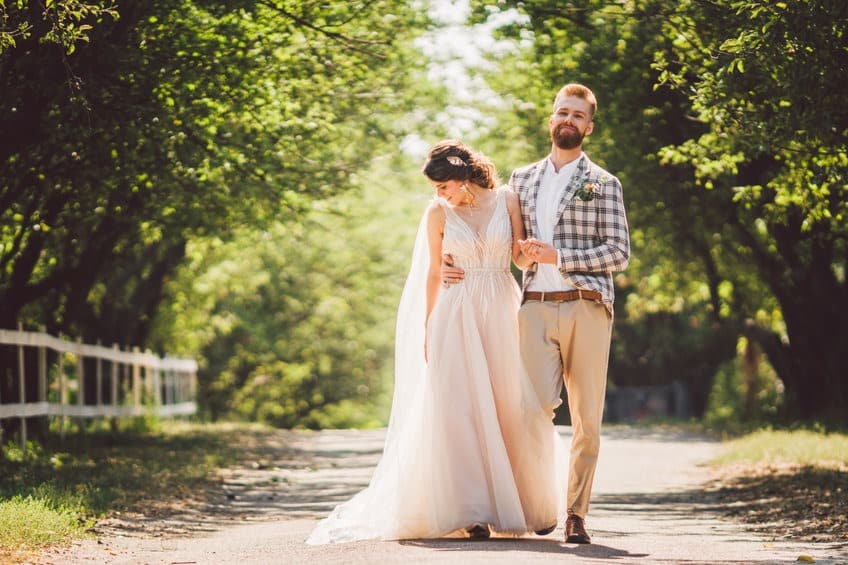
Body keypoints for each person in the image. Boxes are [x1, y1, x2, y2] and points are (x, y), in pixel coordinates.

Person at [306, 140, 561, 544]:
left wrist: (532, 252)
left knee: (512, 404)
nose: (440, 194)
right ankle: (473, 511)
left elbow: (518, 259)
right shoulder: (437, 213)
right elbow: (432, 273)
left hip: (501, 307)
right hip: (456, 313)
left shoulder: (506, 199)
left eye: (443, 186)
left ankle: (529, 504)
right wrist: (428, 325)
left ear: (462, 177)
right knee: (461, 410)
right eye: (436, 189)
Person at [442, 83, 630, 544]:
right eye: (562, 112)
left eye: (578, 115)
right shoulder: (522, 180)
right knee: (528, 410)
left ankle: (575, 515)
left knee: (586, 418)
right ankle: (534, 504)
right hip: (534, 307)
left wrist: (559, 257)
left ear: (589, 127)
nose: (569, 120)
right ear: (551, 119)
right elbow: (488, 223)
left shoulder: (604, 183)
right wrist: (447, 258)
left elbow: (619, 252)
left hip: (587, 306)